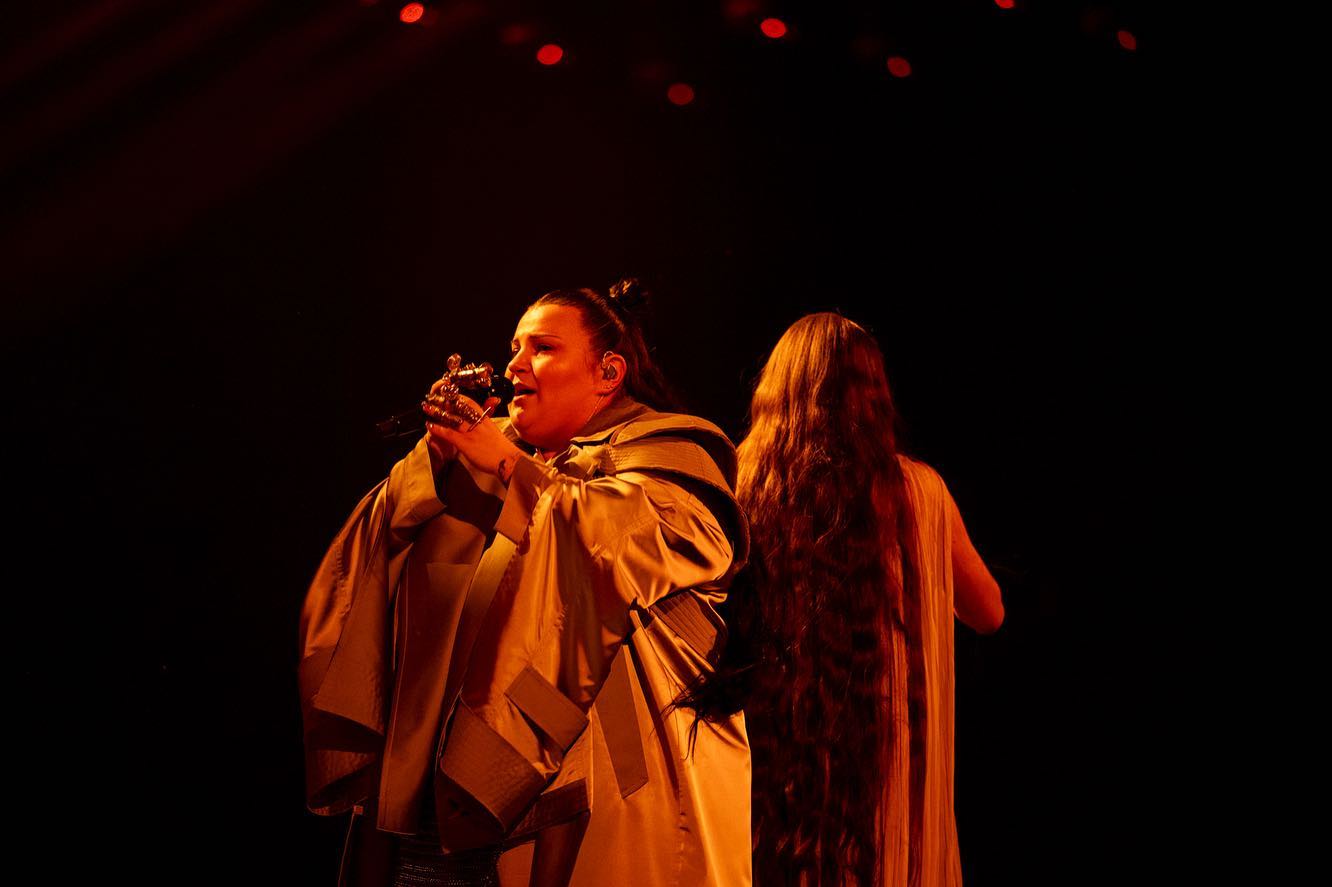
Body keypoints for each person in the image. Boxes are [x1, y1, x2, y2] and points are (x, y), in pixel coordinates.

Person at [298, 280, 751, 886]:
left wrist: (508, 464)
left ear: (608, 373)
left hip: (581, 795)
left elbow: (612, 545)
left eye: (542, 348)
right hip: (432, 805)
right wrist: (433, 463)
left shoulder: (669, 454)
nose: (514, 365)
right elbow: (365, 555)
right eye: (514, 348)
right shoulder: (486, 458)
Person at [682, 312, 1003, 887]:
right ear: (873, 393)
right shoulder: (920, 491)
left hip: (779, 773)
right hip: (894, 781)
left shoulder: (741, 484)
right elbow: (990, 612)